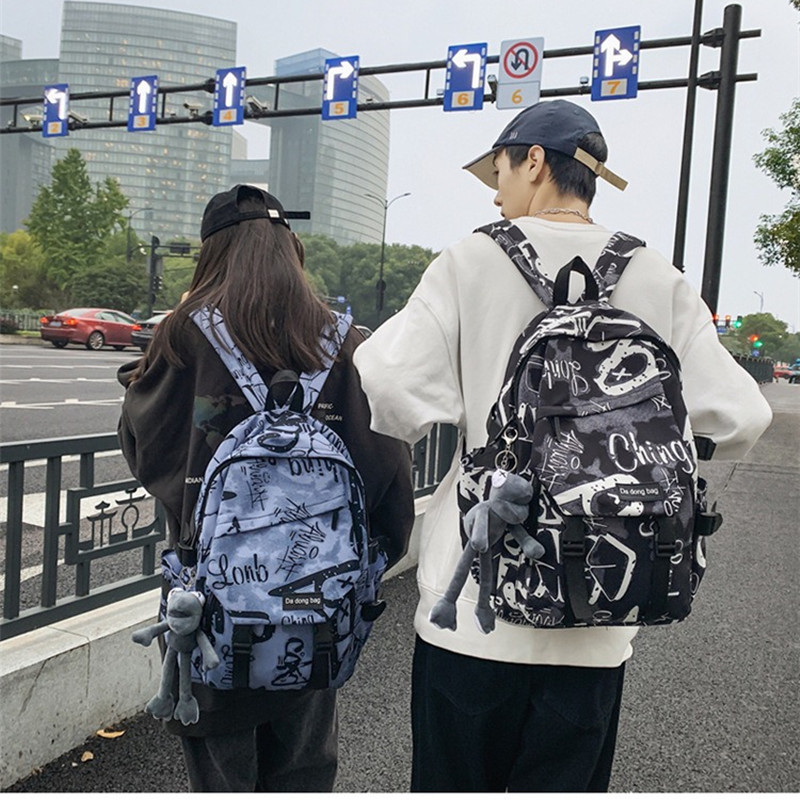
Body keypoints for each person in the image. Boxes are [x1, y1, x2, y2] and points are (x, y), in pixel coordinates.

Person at [353, 99, 773, 792]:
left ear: (536, 162)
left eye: (501, 169)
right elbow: (740, 417)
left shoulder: (469, 261)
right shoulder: (655, 276)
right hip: (602, 616)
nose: (496, 190)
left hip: (474, 613)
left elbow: (390, 391)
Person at [117, 184, 415, 793]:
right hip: (318, 608)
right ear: (292, 251)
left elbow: (144, 448)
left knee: (221, 768)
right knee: (304, 764)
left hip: (210, 606)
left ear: (210, 255)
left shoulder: (184, 336)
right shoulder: (343, 341)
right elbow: (389, 467)